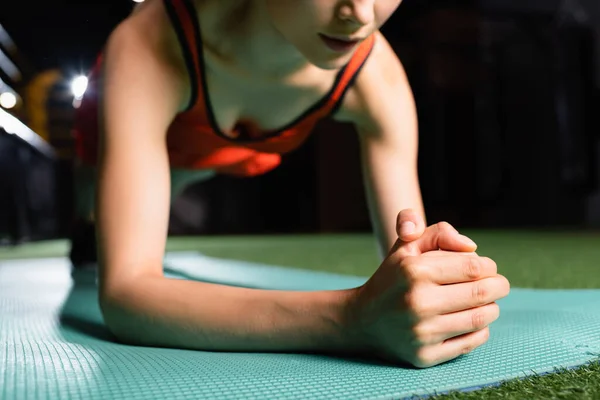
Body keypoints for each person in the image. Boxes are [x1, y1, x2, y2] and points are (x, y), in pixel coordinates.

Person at [69, 0, 510, 368]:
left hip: (246, 151)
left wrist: (431, 288)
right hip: (136, 126)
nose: (359, 13)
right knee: (93, 214)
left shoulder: (375, 76)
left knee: (190, 174)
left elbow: (411, 252)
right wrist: (349, 317)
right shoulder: (148, 43)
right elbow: (126, 295)